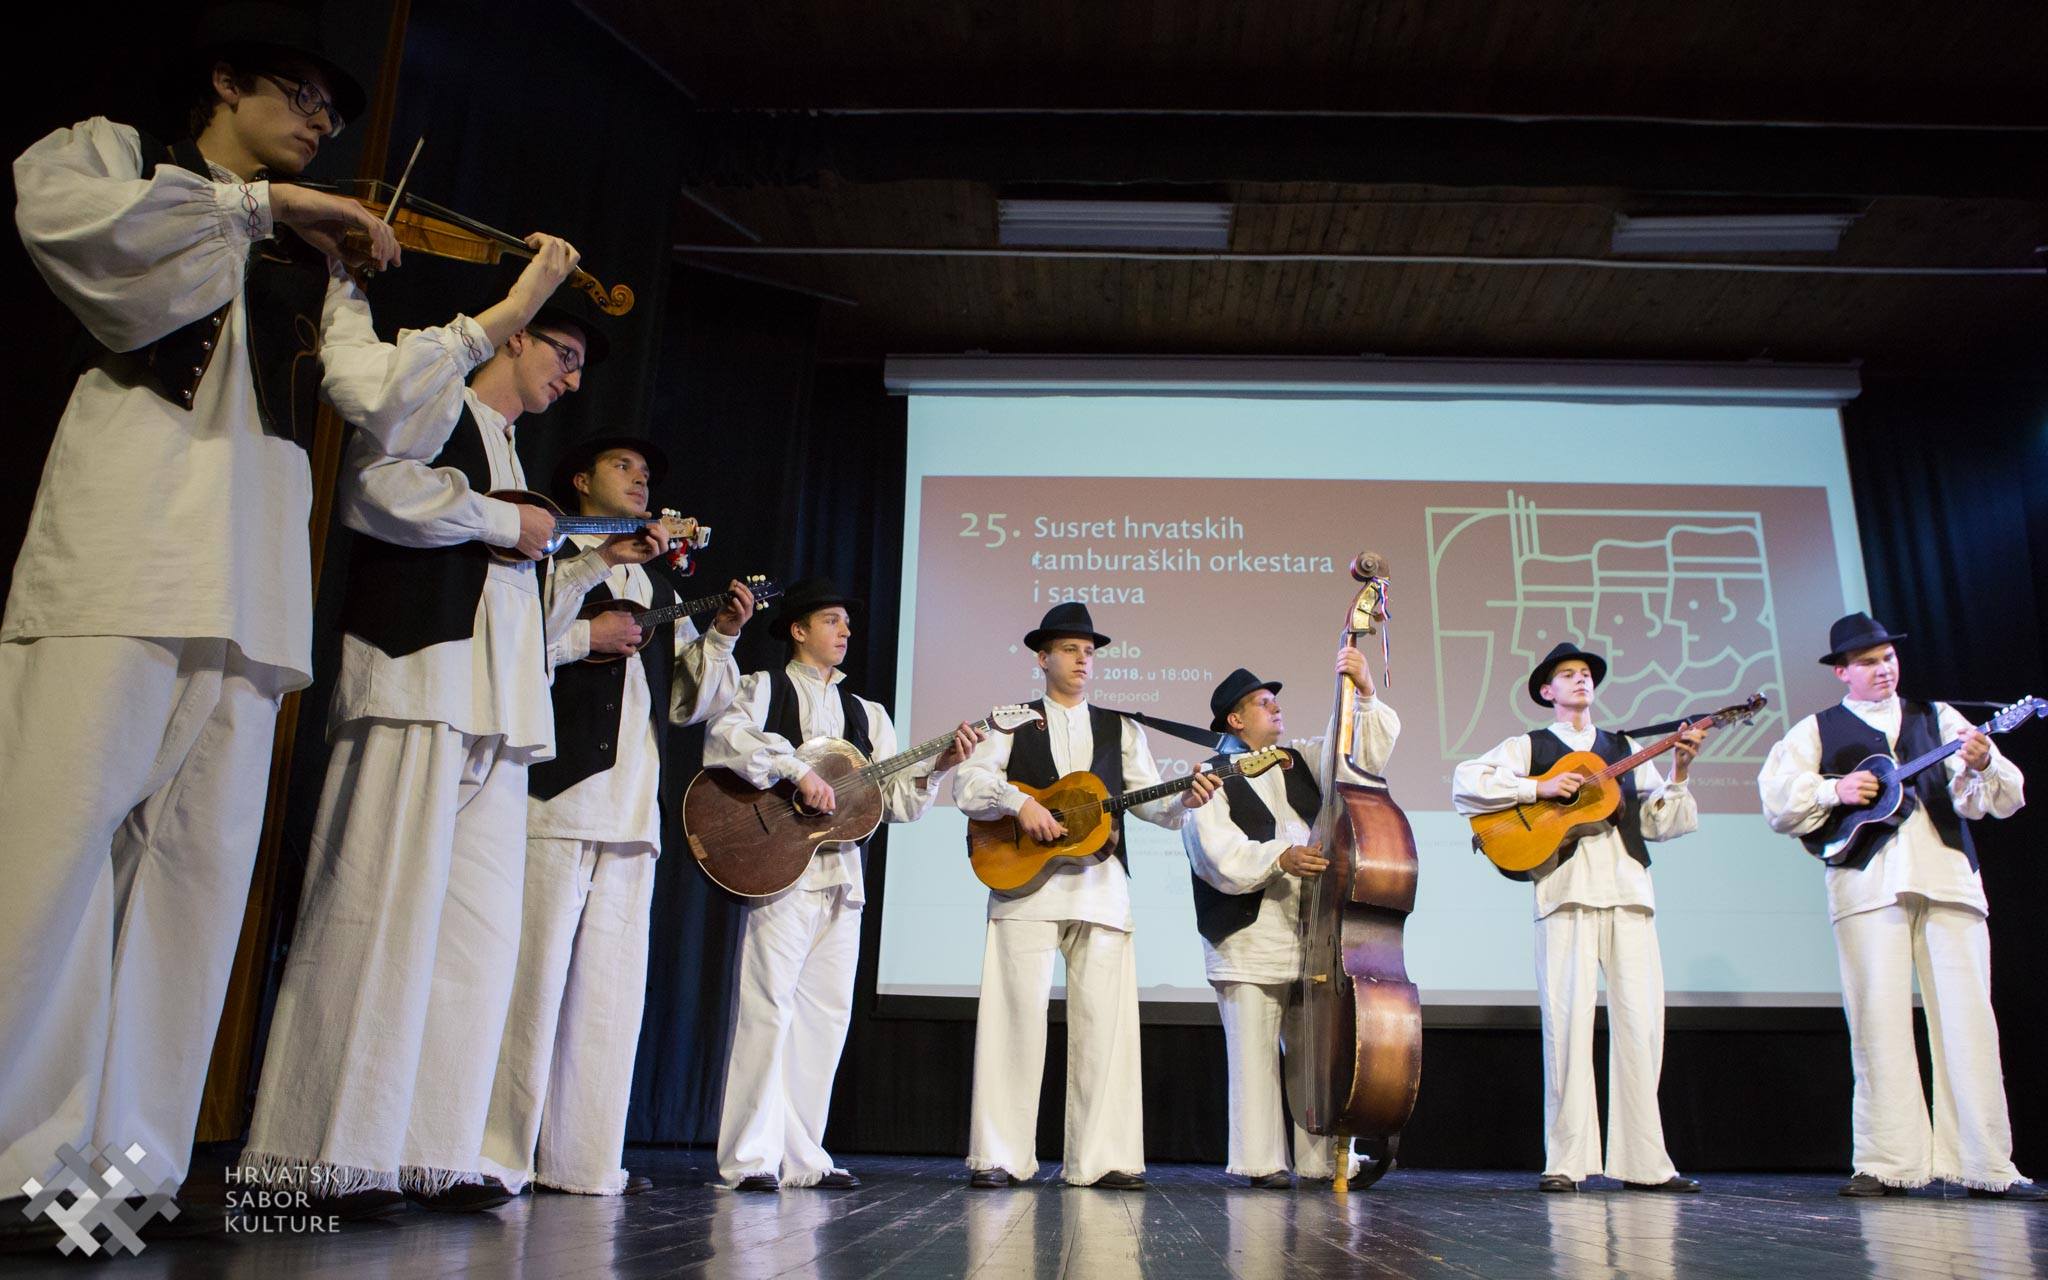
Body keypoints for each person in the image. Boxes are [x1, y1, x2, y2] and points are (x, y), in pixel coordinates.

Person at [0, 5, 569, 1214]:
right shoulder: (118, 156)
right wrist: (263, 207)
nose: (320, 125)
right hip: (121, 552)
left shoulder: (323, 260)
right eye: (303, 98)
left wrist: (508, 307)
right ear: (226, 81)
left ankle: (117, 1181)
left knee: (193, 884)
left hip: (253, 589)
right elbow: (79, 240)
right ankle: (17, 1159)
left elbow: (386, 402)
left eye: (330, 113)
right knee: (52, 853)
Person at [240, 283, 662, 1217]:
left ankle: (435, 1148)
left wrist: (578, 557)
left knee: (476, 940)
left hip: (499, 714)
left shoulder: (512, 451)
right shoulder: (437, 402)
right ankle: (320, 1155)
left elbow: (532, 609)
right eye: (563, 355)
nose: (571, 378)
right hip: (418, 685)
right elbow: (374, 489)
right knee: (376, 913)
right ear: (513, 338)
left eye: (579, 367)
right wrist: (505, 522)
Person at [480, 435, 753, 1197]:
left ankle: (584, 1161)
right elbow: (511, 640)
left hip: (633, 814)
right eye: (622, 467)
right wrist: (586, 636)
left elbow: (693, 702)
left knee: (608, 999)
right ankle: (497, 1156)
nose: (640, 479)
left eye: (646, 471)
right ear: (580, 480)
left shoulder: (655, 583)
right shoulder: (552, 554)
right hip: (556, 800)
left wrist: (725, 634)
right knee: (530, 983)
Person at [703, 578, 980, 1190]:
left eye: (846, 623)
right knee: (768, 1008)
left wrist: (937, 766)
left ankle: (803, 1157)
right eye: (831, 620)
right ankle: (749, 1157)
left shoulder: (868, 715)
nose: (845, 631)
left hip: (842, 874)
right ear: (798, 629)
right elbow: (726, 741)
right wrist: (796, 770)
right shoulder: (763, 687)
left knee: (824, 1016)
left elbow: (896, 804)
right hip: (780, 870)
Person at [1758, 612, 2040, 1199]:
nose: (1883, 669)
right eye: (1867, 662)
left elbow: (2000, 798)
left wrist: (1984, 762)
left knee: (1968, 1022)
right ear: (1842, 672)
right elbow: (1779, 801)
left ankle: (1986, 1164)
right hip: (1866, 884)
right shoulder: (1816, 729)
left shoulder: (1938, 717)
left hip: (1947, 877)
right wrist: (1835, 789)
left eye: (1887, 658)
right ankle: (1888, 1162)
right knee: (1877, 1021)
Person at [954, 602, 1221, 1190]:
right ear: (1042, 658)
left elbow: (1152, 801)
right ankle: (1000, 1155)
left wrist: (1185, 799)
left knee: (1105, 1025)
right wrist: (1020, 802)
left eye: (1089, 652)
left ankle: (1104, 1158)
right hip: (1023, 888)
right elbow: (968, 785)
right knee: (1013, 1019)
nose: (1083, 660)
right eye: (1071, 650)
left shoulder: (1120, 727)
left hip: (1101, 889)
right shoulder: (1011, 721)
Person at [1451, 642, 1707, 1194]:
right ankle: (1566, 1161)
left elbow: (1663, 823)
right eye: (1567, 674)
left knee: (1641, 1027)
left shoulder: (1625, 747)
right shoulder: (1529, 746)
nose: (1580, 680)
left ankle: (1646, 1163)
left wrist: (1681, 768)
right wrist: (1538, 786)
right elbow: (1465, 782)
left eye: (1586, 673)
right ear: (1547, 691)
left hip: (1629, 890)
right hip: (1564, 891)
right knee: (1566, 1026)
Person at [1182, 652, 1398, 1187]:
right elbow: (1215, 855)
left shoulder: (1299, 759)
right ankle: (1260, 1163)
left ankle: (1321, 1161)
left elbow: (1360, 757)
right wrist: (1280, 857)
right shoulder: (1210, 778)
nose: (1275, 707)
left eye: (1274, 700)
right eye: (1263, 702)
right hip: (1249, 935)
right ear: (1235, 720)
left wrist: (1364, 691)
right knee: (1254, 1055)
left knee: (1314, 1058)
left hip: (1310, 935)